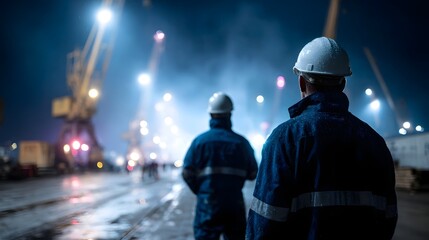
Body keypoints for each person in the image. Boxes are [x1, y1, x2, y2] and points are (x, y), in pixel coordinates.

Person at [246, 37, 398, 239]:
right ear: (343, 83)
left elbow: (265, 223)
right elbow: (388, 218)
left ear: (301, 81)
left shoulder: (285, 139)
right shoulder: (374, 141)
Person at [182, 92, 259, 240]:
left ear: (210, 114)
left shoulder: (199, 142)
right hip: (234, 203)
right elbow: (253, 173)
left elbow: (187, 173)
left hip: (208, 204)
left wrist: (201, 191)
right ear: (230, 114)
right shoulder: (241, 143)